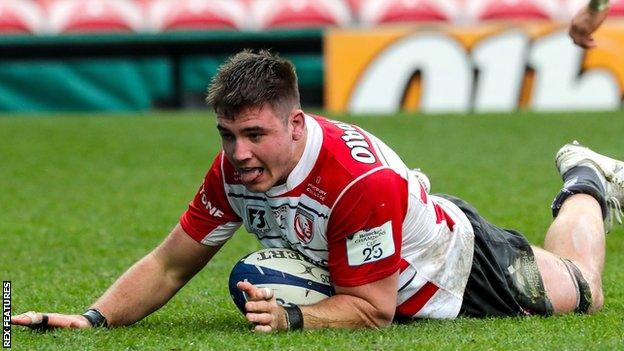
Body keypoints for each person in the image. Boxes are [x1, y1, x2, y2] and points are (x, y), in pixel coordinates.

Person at [11, 50, 624, 332]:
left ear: (296, 123)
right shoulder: (235, 170)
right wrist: (92, 319)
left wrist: (294, 317)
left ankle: (586, 178)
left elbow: (374, 310)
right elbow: (170, 264)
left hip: (456, 267)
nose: (238, 153)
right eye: (227, 135)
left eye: (254, 134)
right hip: (374, 253)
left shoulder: (356, 182)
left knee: (585, 290)